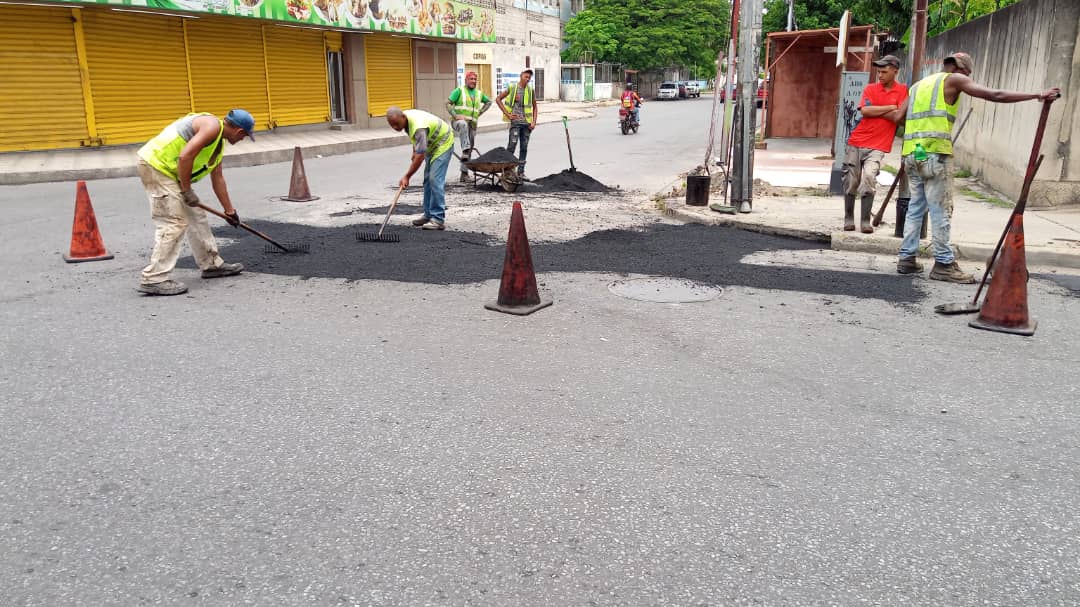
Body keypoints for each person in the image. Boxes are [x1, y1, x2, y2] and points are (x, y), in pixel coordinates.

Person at [887, 52, 1059, 283]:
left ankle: (906, 259)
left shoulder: (918, 86)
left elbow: (899, 116)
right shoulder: (955, 79)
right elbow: (994, 94)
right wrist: (1037, 95)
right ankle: (944, 264)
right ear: (963, 70)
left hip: (911, 153)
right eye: (968, 76)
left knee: (916, 207)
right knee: (940, 209)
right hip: (935, 153)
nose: (967, 80)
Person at [135, 109, 254, 296]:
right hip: (156, 167)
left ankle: (211, 264)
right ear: (240, 132)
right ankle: (154, 279)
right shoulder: (211, 126)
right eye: (245, 136)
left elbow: (218, 179)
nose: (242, 140)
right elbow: (185, 156)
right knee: (173, 222)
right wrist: (186, 189)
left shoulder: (217, 144)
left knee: (197, 216)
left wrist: (230, 211)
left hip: (171, 173)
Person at [842, 54, 908, 234]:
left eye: (884, 72)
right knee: (851, 181)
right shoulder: (871, 88)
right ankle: (848, 217)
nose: (880, 75)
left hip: (878, 145)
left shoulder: (903, 91)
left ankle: (865, 220)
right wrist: (890, 107)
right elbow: (865, 111)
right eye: (878, 72)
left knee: (869, 178)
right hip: (857, 141)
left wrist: (880, 111)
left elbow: (899, 117)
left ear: (895, 71)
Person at [386, 106, 454, 231]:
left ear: (403, 117)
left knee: (435, 179)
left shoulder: (419, 127)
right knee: (427, 180)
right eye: (392, 125)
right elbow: (416, 141)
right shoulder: (405, 121)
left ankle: (438, 219)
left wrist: (407, 176)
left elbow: (420, 156)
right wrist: (414, 150)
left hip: (443, 143)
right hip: (431, 144)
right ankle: (428, 214)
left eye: (396, 124)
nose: (395, 127)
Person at [447, 71, 492, 183]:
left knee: (469, 151)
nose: (473, 81)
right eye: (471, 79)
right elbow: (447, 103)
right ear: (466, 80)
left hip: (472, 124)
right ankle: (465, 149)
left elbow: (489, 102)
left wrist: (479, 113)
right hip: (458, 123)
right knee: (463, 127)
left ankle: (464, 174)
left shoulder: (478, 94)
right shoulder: (459, 91)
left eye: (475, 79)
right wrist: (455, 115)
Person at [496, 68, 539, 179]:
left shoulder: (530, 90)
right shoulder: (512, 88)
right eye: (526, 76)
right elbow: (498, 99)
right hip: (515, 123)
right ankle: (506, 172)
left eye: (529, 77)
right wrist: (508, 114)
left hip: (527, 125)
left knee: (524, 148)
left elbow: (535, 107)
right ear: (521, 76)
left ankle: (521, 172)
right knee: (512, 146)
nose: (527, 79)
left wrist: (534, 122)